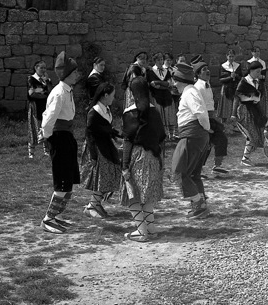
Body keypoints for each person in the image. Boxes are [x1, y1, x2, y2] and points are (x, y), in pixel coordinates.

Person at [38, 51, 81, 234]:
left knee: (69, 179)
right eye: (75, 72)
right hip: (60, 138)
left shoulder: (67, 90)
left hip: (67, 137)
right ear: (68, 74)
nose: (78, 75)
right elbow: (48, 119)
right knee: (62, 180)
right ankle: (47, 219)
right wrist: (47, 138)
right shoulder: (58, 93)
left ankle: (55, 216)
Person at [121, 77, 166, 241]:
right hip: (154, 156)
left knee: (132, 194)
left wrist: (125, 165)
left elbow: (127, 141)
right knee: (146, 196)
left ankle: (141, 231)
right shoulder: (155, 111)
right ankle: (151, 229)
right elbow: (162, 136)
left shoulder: (130, 112)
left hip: (137, 157)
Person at [171, 62, 212, 219]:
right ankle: (201, 204)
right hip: (196, 135)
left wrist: (205, 128)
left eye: (175, 80)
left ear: (180, 80)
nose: (174, 83)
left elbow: (201, 113)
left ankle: (198, 204)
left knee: (181, 171)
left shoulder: (189, 93)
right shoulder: (191, 91)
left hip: (192, 135)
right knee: (194, 173)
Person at [80, 83, 122, 218]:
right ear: (105, 95)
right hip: (97, 148)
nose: (113, 98)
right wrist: (93, 155)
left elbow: (107, 128)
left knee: (111, 174)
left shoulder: (105, 109)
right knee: (105, 176)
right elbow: (90, 134)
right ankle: (92, 205)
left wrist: (117, 136)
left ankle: (95, 204)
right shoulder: (94, 112)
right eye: (112, 95)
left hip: (105, 145)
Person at [193, 61, 230, 176]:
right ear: (198, 74)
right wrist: (204, 124)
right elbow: (197, 108)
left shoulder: (207, 85)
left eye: (207, 68)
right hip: (203, 119)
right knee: (205, 145)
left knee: (221, 139)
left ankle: (217, 166)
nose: (207, 71)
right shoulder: (197, 88)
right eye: (204, 69)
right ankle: (197, 169)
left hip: (211, 118)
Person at [231, 61, 266, 167]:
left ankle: (246, 157)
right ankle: (245, 158)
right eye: (257, 71)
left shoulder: (258, 82)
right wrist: (233, 114)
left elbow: (259, 97)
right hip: (244, 109)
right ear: (251, 71)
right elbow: (237, 98)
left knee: (256, 133)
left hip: (254, 109)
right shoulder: (244, 81)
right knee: (250, 134)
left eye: (260, 72)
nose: (258, 74)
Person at [27, 60, 53, 159]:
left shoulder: (46, 80)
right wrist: (43, 92)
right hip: (35, 106)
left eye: (44, 68)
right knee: (34, 127)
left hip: (45, 106)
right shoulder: (31, 79)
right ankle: (31, 152)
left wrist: (44, 87)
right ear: (36, 68)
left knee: (45, 125)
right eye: (41, 68)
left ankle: (46, 150)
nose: (43, 70)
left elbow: (50, 91)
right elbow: (32, 93)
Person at [146, 52, 175, 139]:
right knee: (159, 115)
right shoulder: (151, 72)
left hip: (167, 96)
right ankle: (161, 134)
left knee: (168, 114)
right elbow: (153, 85)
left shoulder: (166, 71)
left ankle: (171, 134)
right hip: (156, 96)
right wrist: (164, 85)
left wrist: (160, 83)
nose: (160, 61)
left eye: (162, 59)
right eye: (158, 60)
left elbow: (170, 84)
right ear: (155, 61)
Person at [217, 49, 242, 123]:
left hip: (235, 87)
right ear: (227, 56)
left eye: (232, 56)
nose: (231, 58)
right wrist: (230, 77)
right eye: (229, 56)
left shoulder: (237, 66)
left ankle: (234, 124)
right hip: (226, 88)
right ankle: (224, 123)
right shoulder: (223, 66)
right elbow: (221, 79)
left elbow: (241, 78)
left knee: (235, 105)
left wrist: (236, 76)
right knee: (225, 105)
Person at [248, 46, 268, 120]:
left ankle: (262, 116)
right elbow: (248, 75)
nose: (257, 53)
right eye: (255, 51)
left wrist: (258, 76)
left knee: (261, 100)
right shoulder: (249, 62)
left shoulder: (262, 62)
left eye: (258, 51)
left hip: (260, 84)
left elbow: (264, 76)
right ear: (252, 52)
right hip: (251, 84)